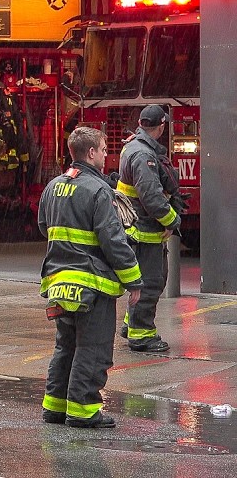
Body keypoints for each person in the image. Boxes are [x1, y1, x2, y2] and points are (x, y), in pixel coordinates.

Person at [38, 126, 142, 429]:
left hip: (58, 284)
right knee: (92, 348)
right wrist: (134, 280)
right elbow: (113, 240)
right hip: (92, 285)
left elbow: (45, 226)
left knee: (66, 346)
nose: (107, 155)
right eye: (104, 149)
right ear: (91, 152)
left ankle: (55, 407)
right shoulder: (99, 191)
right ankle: (83, 411)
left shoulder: (53, 187)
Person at [115, 104, 179, 353]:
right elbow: (151, 197)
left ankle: (130, 324)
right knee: (150, 283)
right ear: (161, 127)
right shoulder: (143, 155)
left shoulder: (132, 146)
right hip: (145, 231)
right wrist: (172, 221)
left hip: (136, 227)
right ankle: (142, 336)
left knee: (144, 281)